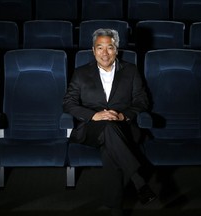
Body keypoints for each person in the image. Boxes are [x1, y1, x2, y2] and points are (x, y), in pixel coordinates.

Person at [63, 28, 156, 215]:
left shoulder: (130, 71)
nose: (105, 53)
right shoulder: (81, 73)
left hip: (125, 127)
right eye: (100, 48)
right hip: (91, 129)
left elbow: (142, 101)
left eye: (110, 47)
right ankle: (139, 180)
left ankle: (116, 207)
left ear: (117, 49)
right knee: (108, 129)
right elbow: (68, 103)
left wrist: (123, 116)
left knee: (110, 146)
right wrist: (93, 115)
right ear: (93, 50)